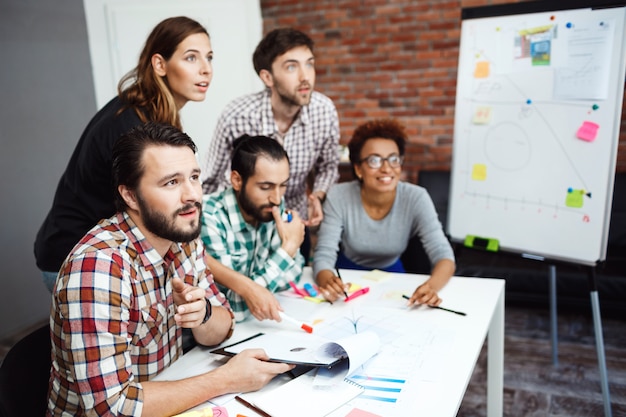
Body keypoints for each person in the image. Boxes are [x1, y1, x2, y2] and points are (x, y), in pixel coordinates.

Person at [47, 122, 293, 417]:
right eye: (171, 183)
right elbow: (113, 408)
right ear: (130, 196)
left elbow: (223, 327)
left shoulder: (181, 237)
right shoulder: (99, 268)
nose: (192, 195)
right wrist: (226, 379)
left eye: (194, 177)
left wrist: (202, 313)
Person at [35, 16, 214, 292]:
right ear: (160, 64)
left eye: (209, 57)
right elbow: (154, 219)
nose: (206, 70)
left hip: (102, 253)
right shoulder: (133, 126)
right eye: (191, 58)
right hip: (78, 258)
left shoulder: (152, 115)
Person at [201, 27, 340, 260]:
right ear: (267, 77)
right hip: (242, 229)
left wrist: (318, 195)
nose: (305, 76)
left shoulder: (324, 111)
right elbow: (212, 180)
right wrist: (213, 228)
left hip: (291, 222)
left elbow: (329, 166)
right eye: (291, 67)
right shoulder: (238, 115)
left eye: (309, 64)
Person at [313, 119, 456, 305]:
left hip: (394, 275)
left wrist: (431, 287)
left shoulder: (416, 197)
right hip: (346, 276)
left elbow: (444, 255)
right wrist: (328, 282)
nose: (387, 168)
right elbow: (323, 255)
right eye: (374, 160)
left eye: (394, 159)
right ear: (358, 169)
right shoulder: (339, 195)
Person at [201, 134, 306, 322]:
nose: (276, 198)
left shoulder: (272, 206)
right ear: (237, 180)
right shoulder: (209, 217)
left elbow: (296, 270)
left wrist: (255, 289)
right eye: (266, 187)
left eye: (283, 186)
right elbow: (232, 310)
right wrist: (287, 249)